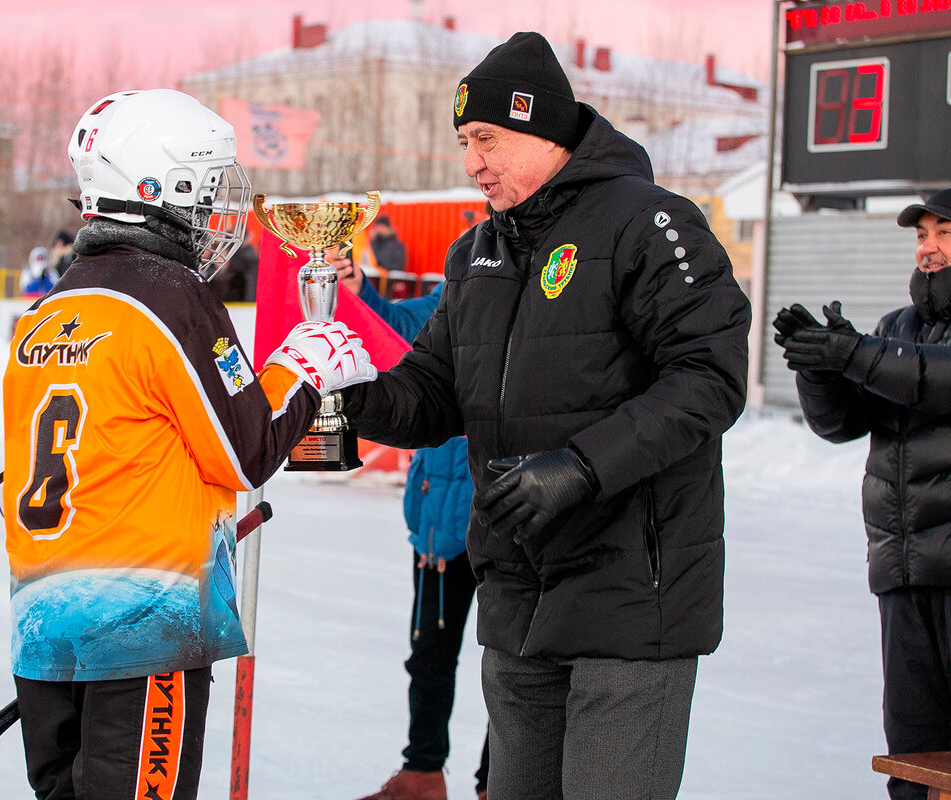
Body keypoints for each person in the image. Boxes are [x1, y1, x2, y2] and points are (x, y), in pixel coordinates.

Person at [338, 32, 751, 800]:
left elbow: (709, 377)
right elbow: (431, 390)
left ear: (543, 129)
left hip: (630, 596)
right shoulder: (477, 253)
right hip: (518, 593)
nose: (472, 162)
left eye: (486, 139)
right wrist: (349, 396)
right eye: (464, 141)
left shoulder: (649, 223)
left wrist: (580, 468)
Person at [0, 88, 375, 800]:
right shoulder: (172, 297)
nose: (218, 212)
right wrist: (304, 365)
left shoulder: (45, 313)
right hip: (145, 634)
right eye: (207, 190)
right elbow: (244, 451)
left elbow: (13, 484)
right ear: (157, 190)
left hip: (44, 634)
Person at [773, 187, 951, 800]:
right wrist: (821, 369)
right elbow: (843, 423)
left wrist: (858, 354)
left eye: (944, 234)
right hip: (904, 567)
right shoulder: (899, 330)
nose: (928, 249)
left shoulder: (892, 345)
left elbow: (937, 377)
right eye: (922, 236)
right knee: (913, 761)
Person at [334, 253, 489, 800]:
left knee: (510, 665)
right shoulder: (453, 298)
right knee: (429, 654)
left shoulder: (538, 308)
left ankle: (499, 781)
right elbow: (398, 327)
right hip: (439, 520)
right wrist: (357, 289)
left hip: (509, 517)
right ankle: (423, 771)